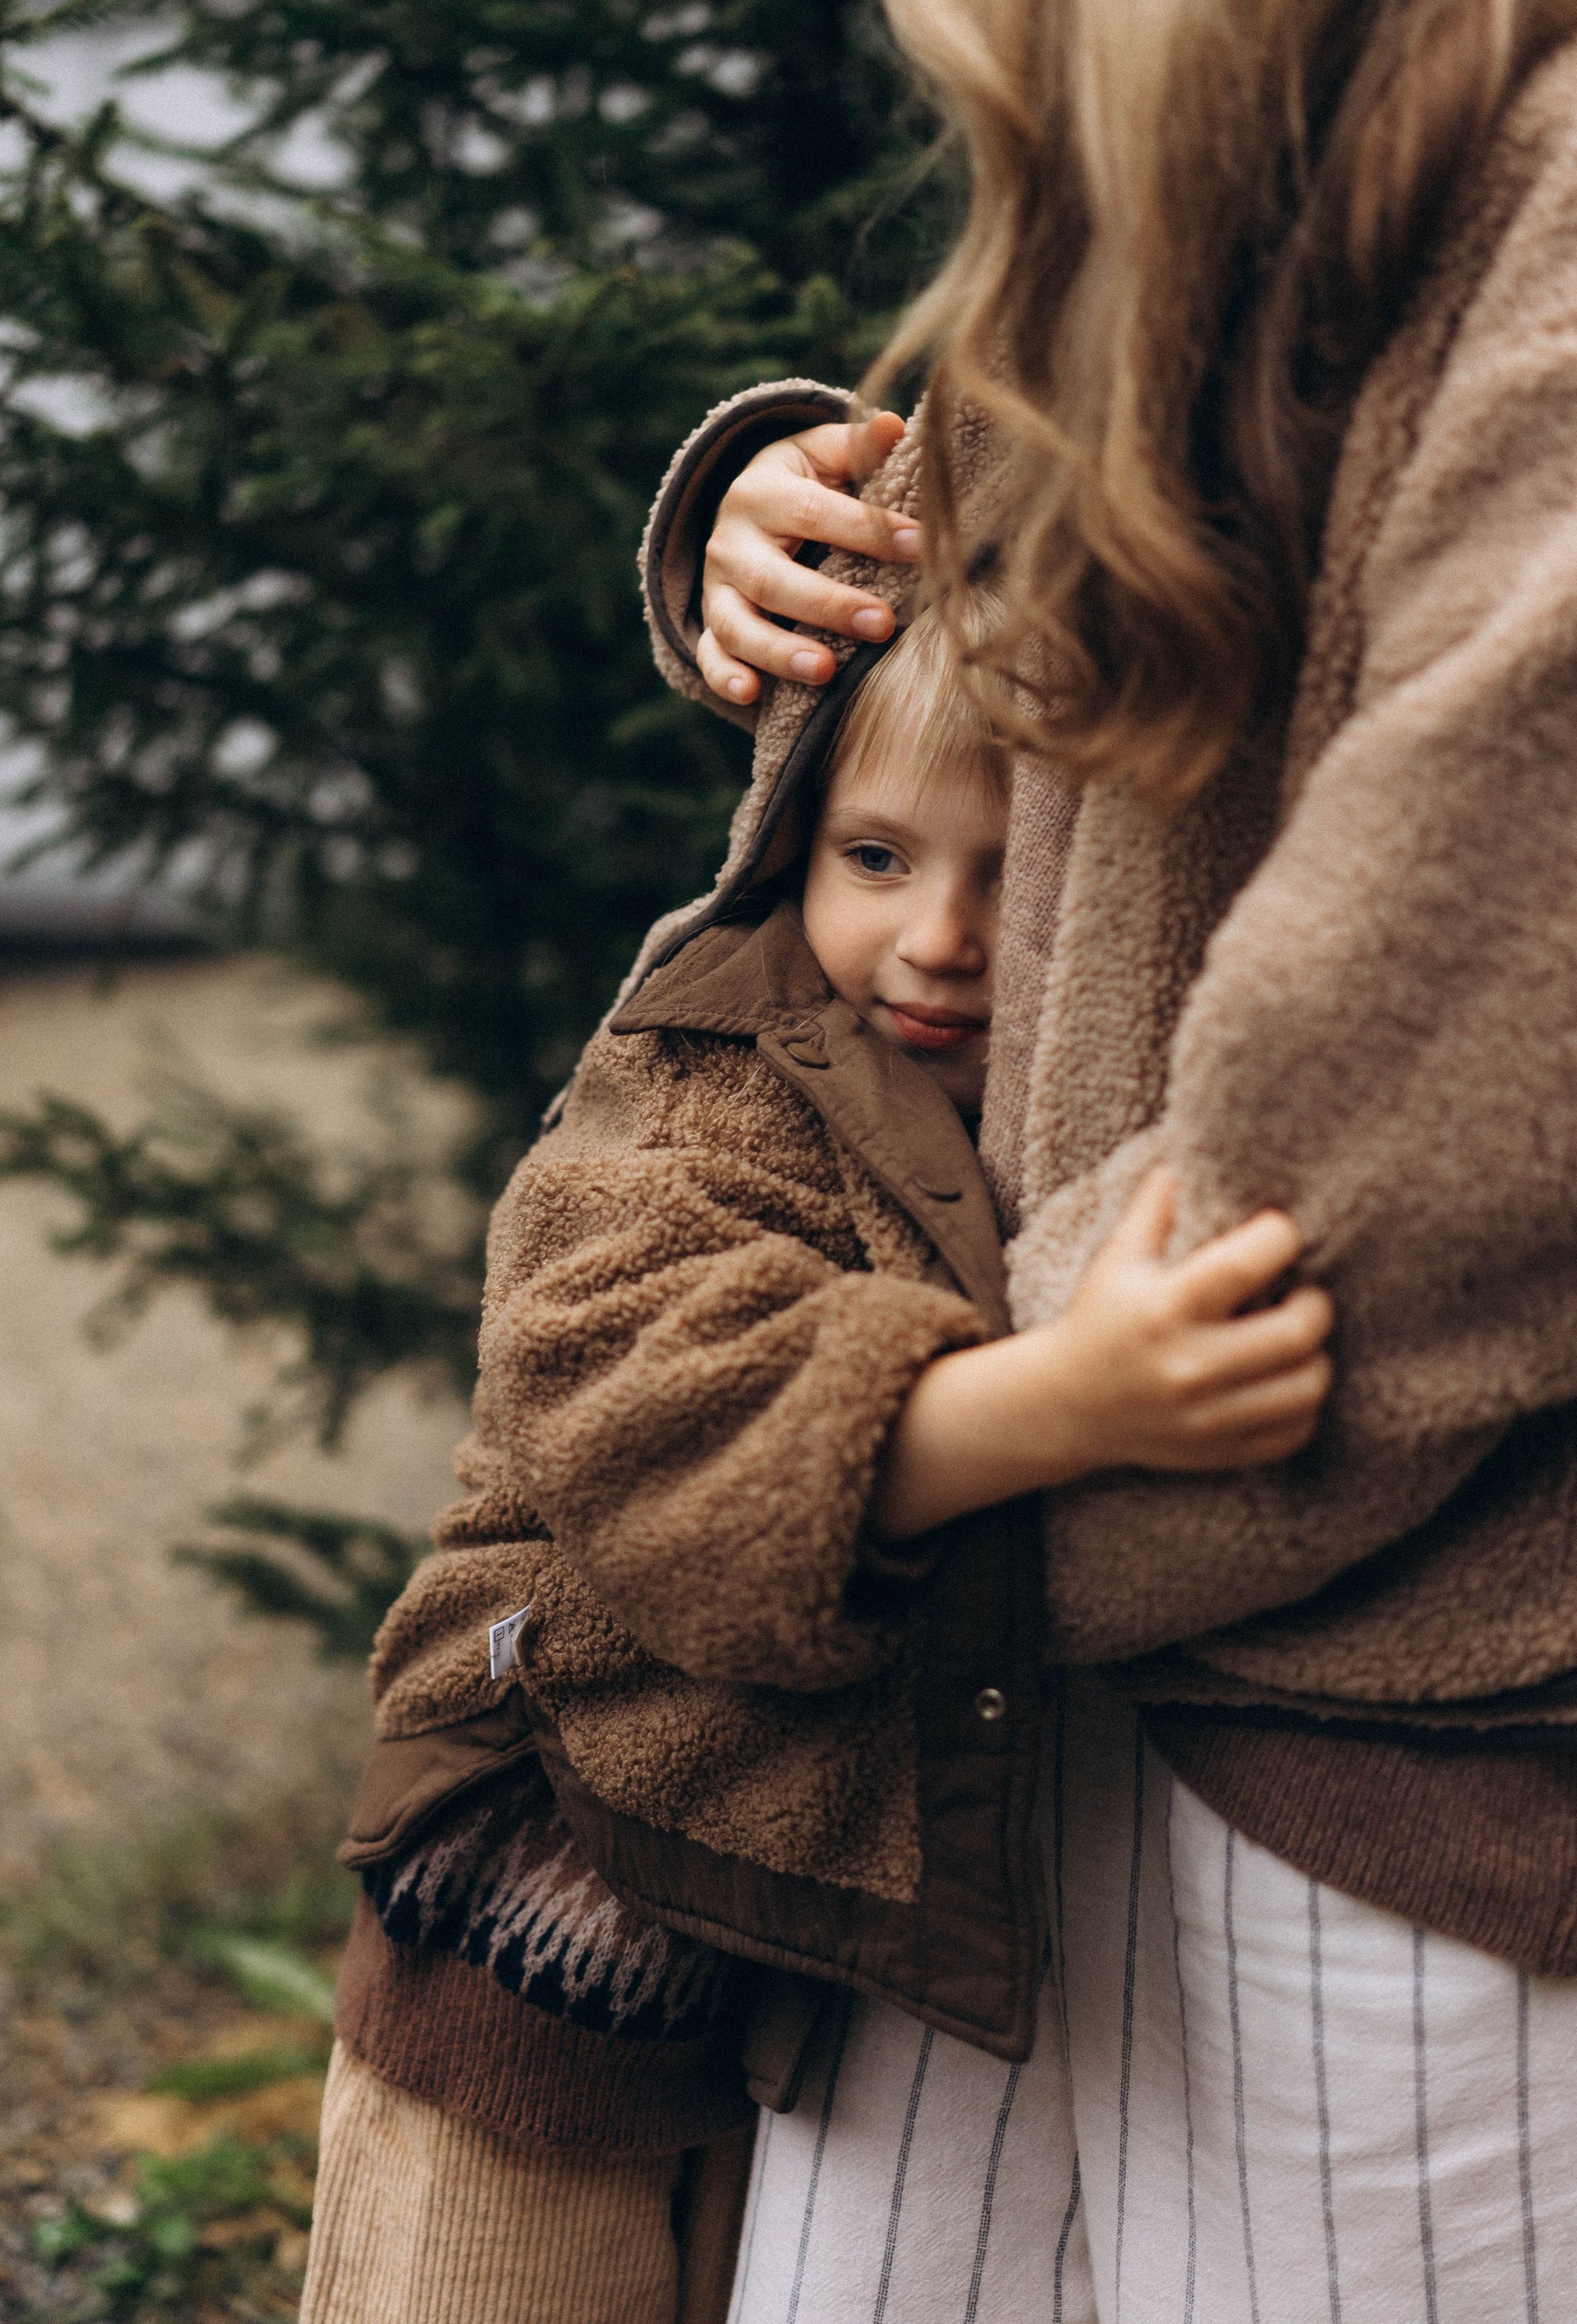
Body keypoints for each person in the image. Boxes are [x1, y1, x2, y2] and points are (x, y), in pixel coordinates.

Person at [632, 0, 1577, 2313]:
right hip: (1011, 1690)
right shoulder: (1255, 130)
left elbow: (1441, 1144)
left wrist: (811, 1472)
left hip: (1386, 1736)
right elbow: (1020, 715)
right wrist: (780, 532)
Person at [299, 613, 1331, 2323]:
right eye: (877, 856)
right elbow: (659, 1416)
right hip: (541, 1910)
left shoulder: (1039, 1106)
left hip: (779, 1961)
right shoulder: (708, 1076)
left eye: (1012, 879)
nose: (939, 940)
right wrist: (1063, 1401)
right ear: (792, 838)